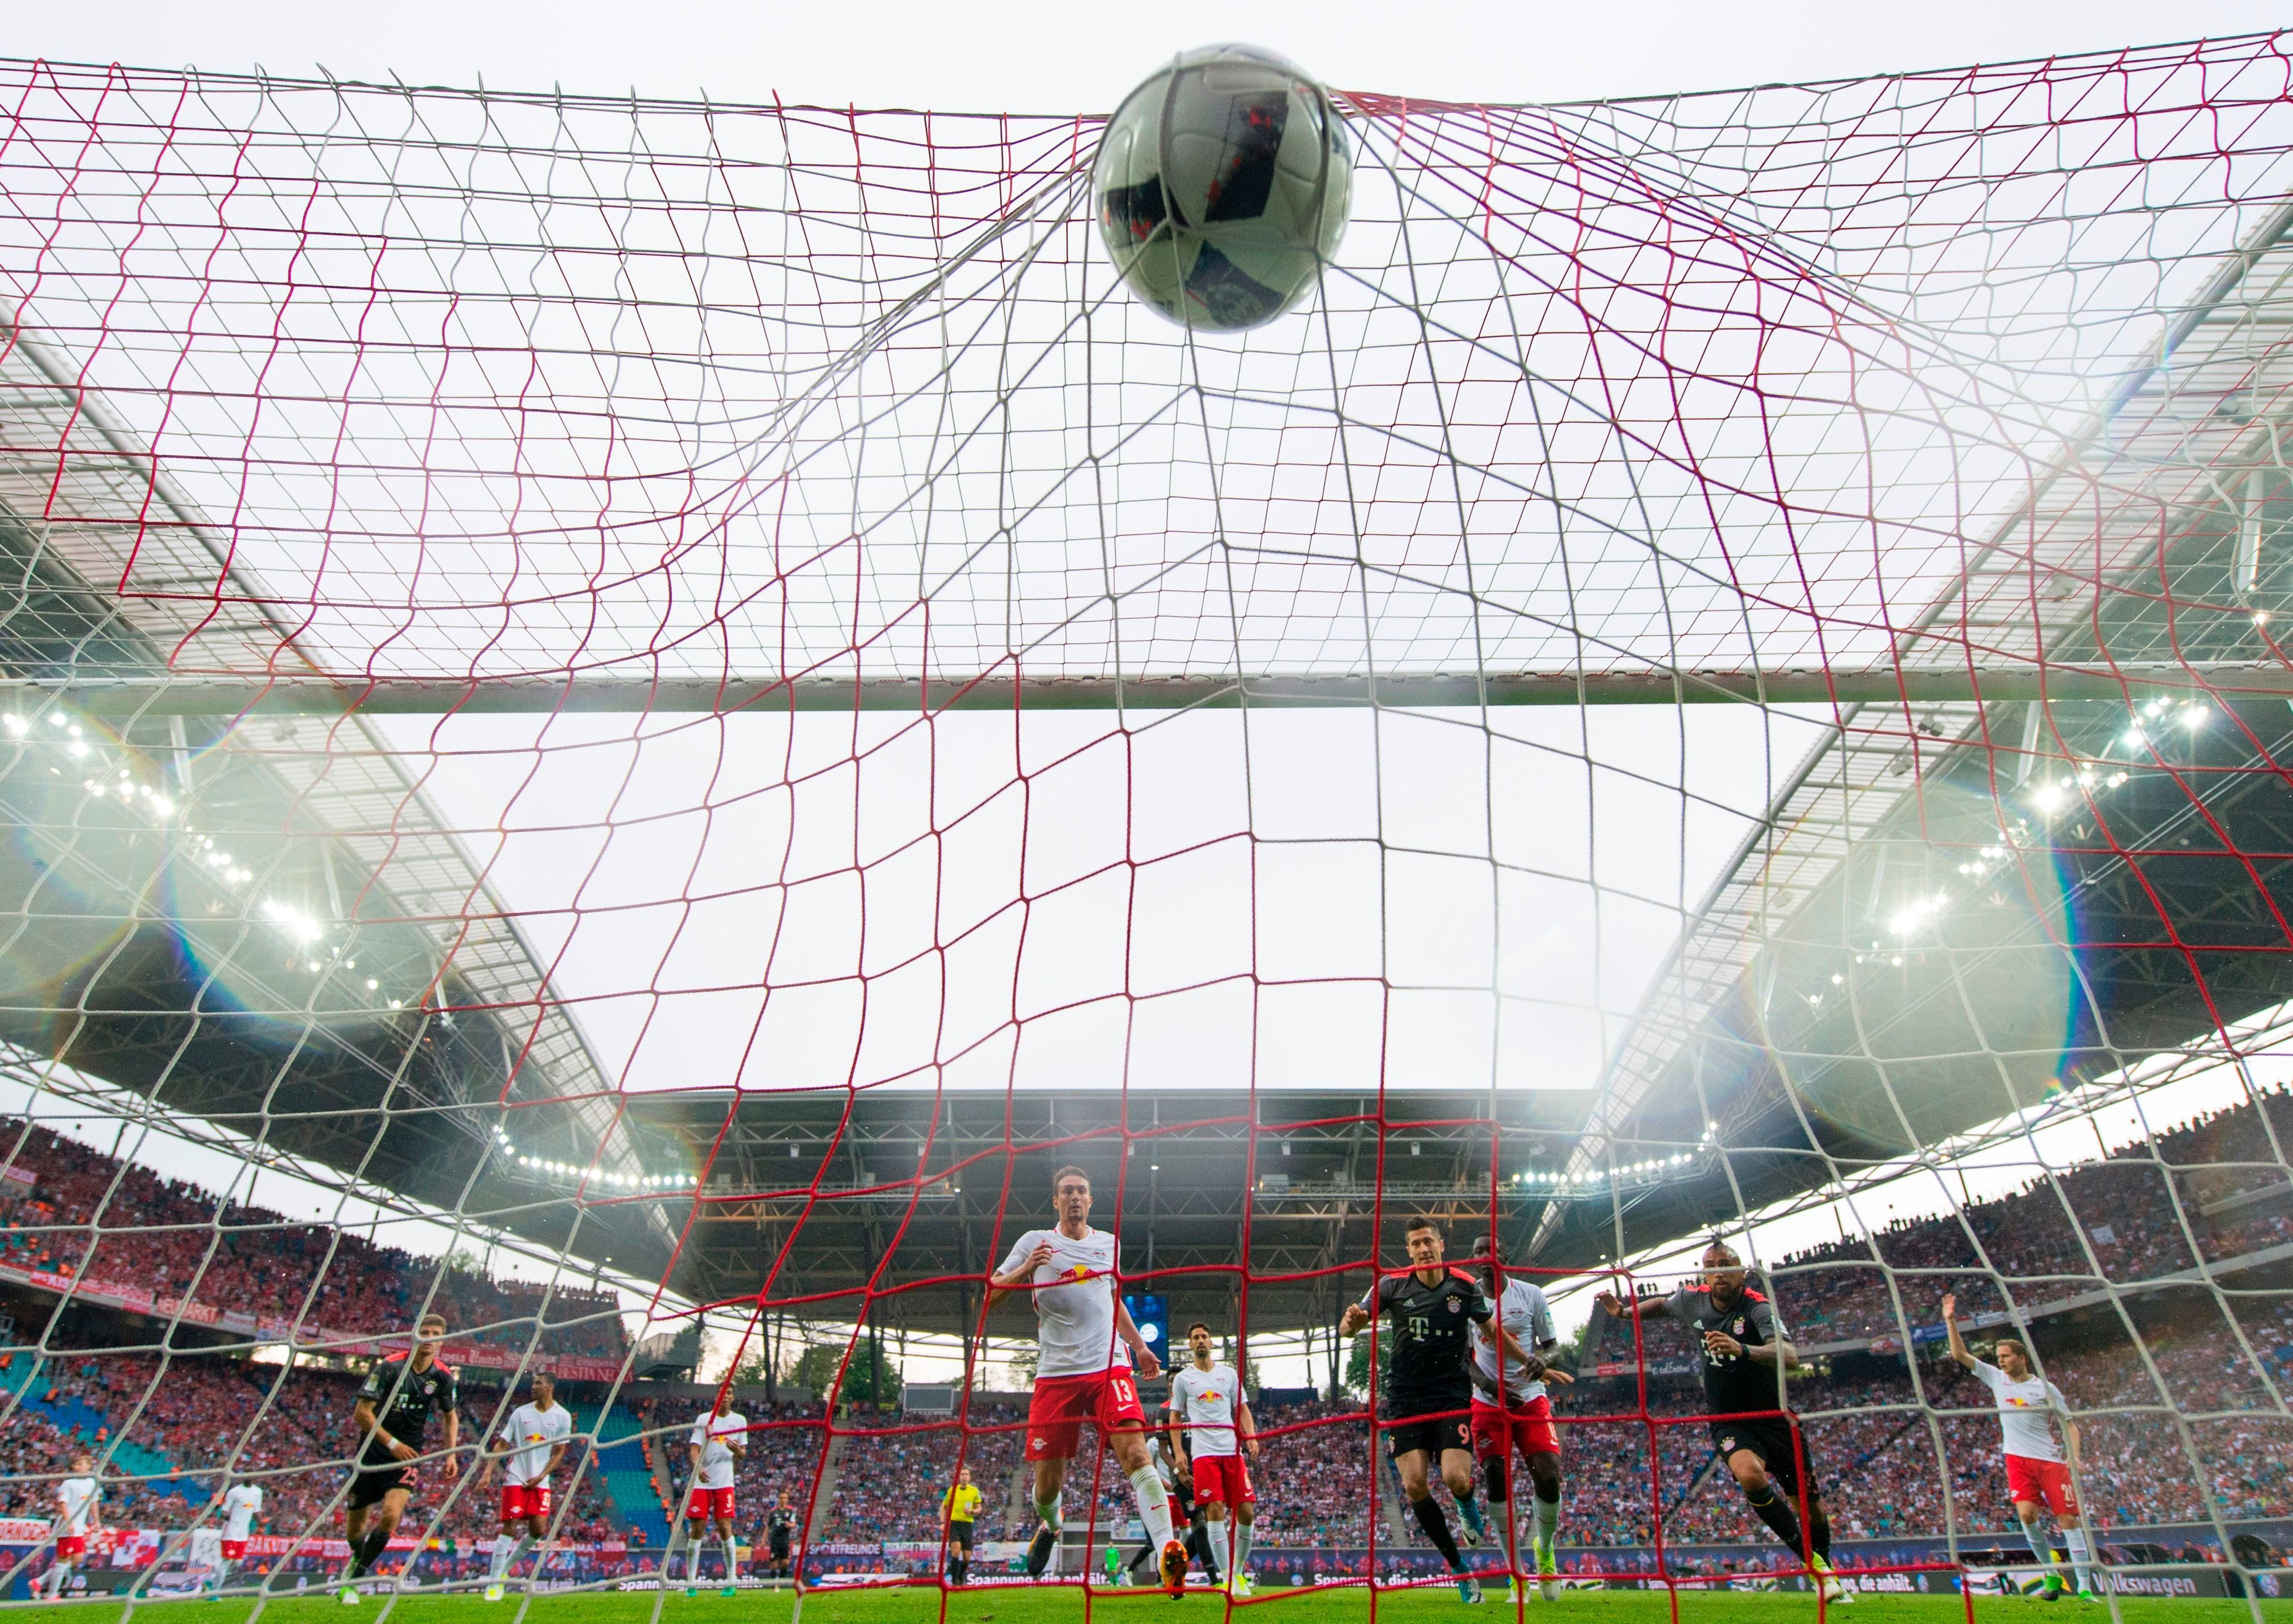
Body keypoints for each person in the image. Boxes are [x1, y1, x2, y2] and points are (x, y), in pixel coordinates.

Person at [1596, 1241, 1845, 1604]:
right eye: (1711, 1265)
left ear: (1742, 1271)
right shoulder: (1694, 1299)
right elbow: (1662, 1306)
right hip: (1729, 1419)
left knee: (1809, 1508)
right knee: (1749, 1475)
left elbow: (1789, 1356)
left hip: (1775, 1418)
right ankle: (1816, 1569)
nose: (1718, 1271)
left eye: (1726, 1264)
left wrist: (1743, 1349)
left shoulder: (1758, 1308)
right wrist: (1622, 1313)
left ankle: (1829, 1568)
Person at [988, 1164, 1181, 1594]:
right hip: (1056, 1375)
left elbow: (1114, 1301)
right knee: (1045, 1490)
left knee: (1135, 1453)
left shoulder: (1108, 1245)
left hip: (1108, 1366)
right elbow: (992, 1295)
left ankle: (1170, 1552)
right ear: (1055, 1201)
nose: (1075, 1197)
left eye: (1082, 1191)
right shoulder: (1033, 1243)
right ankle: (1051, 1525)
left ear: (1091, 1201)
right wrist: (1027, 1268)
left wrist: (1140, 1346)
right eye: (1067, 1191)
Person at [1341, 1216, 1532, 1604]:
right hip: (1406, 1397)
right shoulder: (1390, 1286)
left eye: (1428, 1241)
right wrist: (1351, 1323)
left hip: (1449, 1394)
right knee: (1414, 1486)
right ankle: (1460, 1569)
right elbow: (1349, 1327)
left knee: (1456, 1478)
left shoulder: (1464, 1286)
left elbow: (1494, 1331)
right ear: (1409, 1251)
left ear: (1441, 1245)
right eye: (1415, 1244)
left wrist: (1529, 1361)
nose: (1423, 1248)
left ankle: (1467, 1508)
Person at [1942, 1294, 2094, 1601]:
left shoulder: (2045, 1389)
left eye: (2006, 1356)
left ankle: (2085, 1588)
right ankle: (2052, 1579)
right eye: (1998, 1356)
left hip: (2050, 1462)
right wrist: (1950, 1320)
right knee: (2026, 1516)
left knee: (2067, 1521)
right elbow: (1960, 1354)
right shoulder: (1997, 1379)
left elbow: (2070, 1423)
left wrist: (2074, 1457)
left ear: (2022, 1358)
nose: (2000, 1360)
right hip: (2017, 1460)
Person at [1466, 1233, 1574, 1603]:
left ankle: (1545, 1553)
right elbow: (1463, 1359)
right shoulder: (1468, 1299)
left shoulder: (1531, 1294)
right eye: (1479, 1251)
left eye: (1491, 1250)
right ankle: (1516, 1576)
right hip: (1487, 1402)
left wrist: (1545, 1361)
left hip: (1529, 1399)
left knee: (1548, 1476)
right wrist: (1490, 1387)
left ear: (1504, 1255)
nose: (1484, 1256)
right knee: (1496, 1478)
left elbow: (1554, 1347)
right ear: (1473, 1259)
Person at [341, 1314, 460, 1606]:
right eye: (425, 1332)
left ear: (441, 1340)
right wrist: (392, 1444)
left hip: (408, 1455)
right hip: (373, 1452)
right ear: (415, 1336)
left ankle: (353, 1581)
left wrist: (451, 1453)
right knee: (354, 1531)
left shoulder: (443, 1377)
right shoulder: (390, 1367)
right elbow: (361, 1413)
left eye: (435, 1334)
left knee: (392, 1515)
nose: (429, 1338)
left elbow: (450, 1417)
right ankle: (357, 1563)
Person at [1168, 1321, 1260, 1595]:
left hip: (1231, 1451)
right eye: (1195, 1337)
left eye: (1204, 1337)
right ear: (1190, 1345)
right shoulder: (1184, 1379)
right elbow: (1175, 1417)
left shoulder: (1229, 1375)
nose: (1200, 1341)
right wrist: (1180, 1452)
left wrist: (1251, 1435)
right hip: (1204, 1454)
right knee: (1215, 1510)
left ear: (1211, 1343)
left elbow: (1241, 1408)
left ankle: (1239, 1572)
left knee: (1247, 1511)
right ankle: (1228, 1577)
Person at [479, 1369, 573, 1601]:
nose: (533, 1387)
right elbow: (502, 1444)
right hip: (516, 1477)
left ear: (550, 1387)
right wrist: (488, 1471)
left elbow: (559, 1451)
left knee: (538, 1529)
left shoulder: (562, 1416)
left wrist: (542, 1477)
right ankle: (493, 1585)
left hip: (540, 1481)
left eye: (538, 1383)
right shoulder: (520, 1414)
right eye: (533, 1383)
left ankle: (503, 1572)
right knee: (509, 1528)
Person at [676, 1391, 746, 1597]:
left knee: (725, 1527)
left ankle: (731, 1581)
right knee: (697, 1528)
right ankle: (691, 1583)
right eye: (722, 1393)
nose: (725, 1397)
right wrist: (698, 1468)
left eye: (730, 1393)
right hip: (702, 1482)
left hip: (725, 1482)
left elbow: (743, 1455)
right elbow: (694, 1449)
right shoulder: (704, 1419)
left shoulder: (740, 1421)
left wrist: (737, 1451)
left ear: (733, 1398)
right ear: (716, 1397)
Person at [39, 1451, 100, 1601]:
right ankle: (52, 1595)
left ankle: (39, 1582)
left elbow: (94, 1503)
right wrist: (69, 1521)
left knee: (78, 1559)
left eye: (82, 1464)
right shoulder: (68, 1484)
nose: (79, 1466)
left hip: (79, 1529)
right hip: (67, 1527)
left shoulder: (92, 1483)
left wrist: (97, 1520)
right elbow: (63, 1504)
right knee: (64, 1560)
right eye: (76, 1464)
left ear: (89, 1466)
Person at [215, 1474, 264, 1594]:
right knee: (227, 1560)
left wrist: (261, 1522)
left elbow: (257, 1510)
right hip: (231, 1531)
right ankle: (214, 1593)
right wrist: (226, 1515)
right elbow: (224, 1510)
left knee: (238, 1562)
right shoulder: (234, 1492)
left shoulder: (258, 1492)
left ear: (255, 1478)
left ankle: (212, 1582)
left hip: (243, 1533)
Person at [940, 1466, 981, 1585]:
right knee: (956, 1549)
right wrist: (943, 1523)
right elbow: (944, 1507)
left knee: (967, 1557)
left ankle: (961, 1575)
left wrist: (972, 1512)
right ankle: (954, 1581)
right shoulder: (952, 1490)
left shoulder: (974, 1491)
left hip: (967, 1525)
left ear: (970, 1477)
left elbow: (979, 1509)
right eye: (962, 1474)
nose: (964, 1477)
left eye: (966, 1474)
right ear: (958, 1477)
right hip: (955, 1524)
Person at [764, 1490, 799, 1583]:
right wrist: (763, 1541)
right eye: (781, 1498)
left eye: (785, 1498)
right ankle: (773, 1584)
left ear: (787, 1500)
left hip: (785, 1540)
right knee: (773, 1563)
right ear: (778, 1499)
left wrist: (790, 1525)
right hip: (775, 1539)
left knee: (785, 1563)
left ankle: (781, 1582)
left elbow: (794, 1523)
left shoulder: (791, 1511)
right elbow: (768, 1526)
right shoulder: (773, 1511)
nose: (783, 1500)